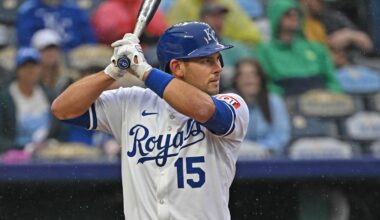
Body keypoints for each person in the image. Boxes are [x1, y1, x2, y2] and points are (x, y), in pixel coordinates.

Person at [51, 21, 249, 219]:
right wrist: (112, 71)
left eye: (218, 59)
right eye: (206, 60)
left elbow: (203, 109)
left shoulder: (231, 103)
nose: (218, 68)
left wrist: (143, 70)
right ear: (177, 67)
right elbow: (63, 109)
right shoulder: (132, 101)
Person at [255, 0, 341, 96]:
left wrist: (332, 96)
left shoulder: (317, 48)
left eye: (297, 13)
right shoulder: (264, 51)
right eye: (288, 14)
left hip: (322, 101)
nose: (294, 16)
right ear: (276, 17)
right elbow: (266, 85)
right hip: (286, 100)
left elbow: (332, 81)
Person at [0, 47, 66, 158]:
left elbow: (61, 129)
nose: (30, 70)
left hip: (48, 155)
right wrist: (25, 147)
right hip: (14, 157)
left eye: (34, 66)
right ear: (17, 70)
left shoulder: (50, 96)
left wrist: (52, 144)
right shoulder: (4, 98)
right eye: (25, 66)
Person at [233, 58, 290, 156]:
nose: (248, 79)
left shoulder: (274, 101)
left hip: (270, 158)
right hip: (237, 158)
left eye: (253, 75)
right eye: (242, 75)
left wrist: (261, 150)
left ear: (261, 79)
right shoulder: (229, 103)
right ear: (236, 80)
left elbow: (281, 136)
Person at [199, 2, 255, 91]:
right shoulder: (195, 49)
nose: (218, 21)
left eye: (220, 17)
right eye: (213, 16)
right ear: (202, 20)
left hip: (234, 93)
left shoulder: (235, 47)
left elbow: (250, 69)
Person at [16, 0, 97, 52]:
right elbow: (25, 43)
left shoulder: (74, 9)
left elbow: (89, 39)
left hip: (74, 54)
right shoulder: (28, 11)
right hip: (42, 55)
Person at [31, 29, 75, 94]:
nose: (51, 53)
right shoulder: (31, 81)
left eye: (54, 49)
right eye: (45, 50)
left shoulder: (69, 79)